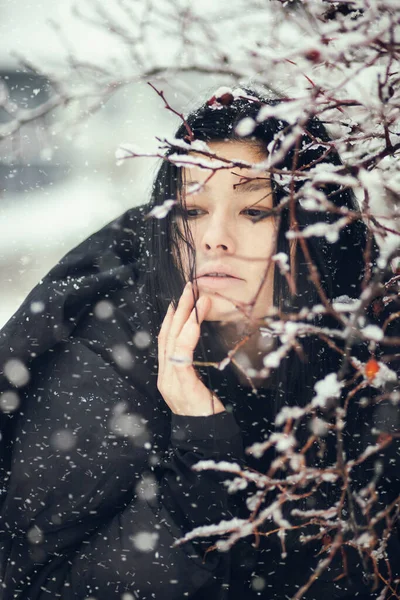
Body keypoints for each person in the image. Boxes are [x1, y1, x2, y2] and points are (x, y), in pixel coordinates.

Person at [0, 88, 398, 600]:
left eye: (254, 211)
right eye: (191, 211)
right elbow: (39, 585)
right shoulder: (104, 358)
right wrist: (200, 445)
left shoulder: (372, 348)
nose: (214, 237)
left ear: (315, 227)